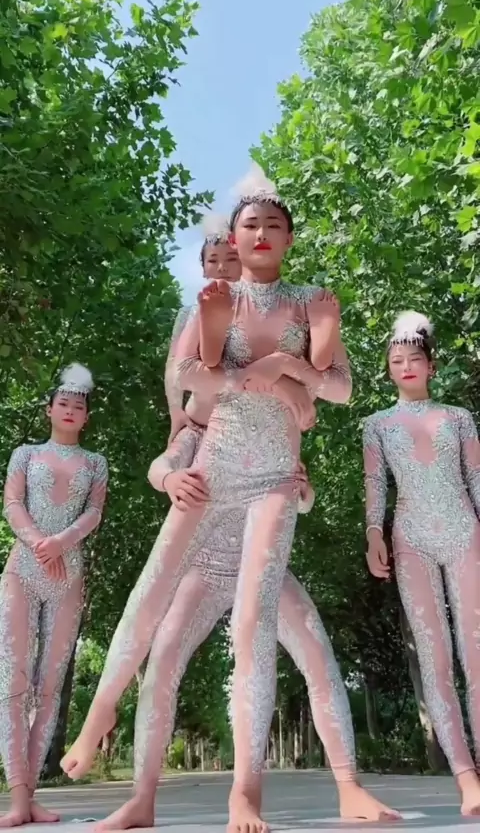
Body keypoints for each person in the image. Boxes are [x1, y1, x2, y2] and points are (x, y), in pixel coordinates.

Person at [61, 164, 351, 831]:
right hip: (214, 465)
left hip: (272, 476)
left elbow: (336, 391)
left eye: (274, 224)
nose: (261, 233)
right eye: (249, 224)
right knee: (152, 599)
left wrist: (290, 368)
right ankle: (106, 723)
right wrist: (261, 378)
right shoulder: (212, 304)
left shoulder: (309, 300)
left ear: (289, 238)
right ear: (235, 238)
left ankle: (246, 792)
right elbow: (190, 379)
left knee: (255, 624)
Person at [90, 427, 399, 831]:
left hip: (267, 570)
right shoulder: (198, 430)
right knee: (163, 661)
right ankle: (141, 798)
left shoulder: (272, 423)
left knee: (319, 657)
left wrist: (304, 490)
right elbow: (160, 466)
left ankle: (349, 786)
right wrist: (169, 479)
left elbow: (300, 500)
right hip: (204, 570)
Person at [364, 311, 480, 817]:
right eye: (396, 361)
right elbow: (375, 485)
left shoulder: (459, 417)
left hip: (464, 533)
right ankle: (466, 778)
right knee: (435, 660)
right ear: (389, 370)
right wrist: (373, 533)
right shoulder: (376, 425)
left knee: (476, 654)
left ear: (431, 365)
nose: (406, 366)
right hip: (410, 538)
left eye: (414, 358)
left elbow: (476, 477)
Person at [0, 363, 108, 828]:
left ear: (86, 417)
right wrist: (38, 543)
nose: (69, 410)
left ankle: (33, 795)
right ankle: (16, 797)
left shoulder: (95, 463)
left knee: (49, 686)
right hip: (23, 571)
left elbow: (94, 512)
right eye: (62, 403)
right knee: (13, 682)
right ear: (49, 410)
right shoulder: (25, 454)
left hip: (68, 575)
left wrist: (61, 542)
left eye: (77, 406)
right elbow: (12, 503)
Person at [165, 214, 241, 443]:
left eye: (231, 259)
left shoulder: (262, 308)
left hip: (247, 430)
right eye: (213, 260)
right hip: (197, 424)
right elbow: (173, 365)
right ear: (204, 269)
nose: (222, 267)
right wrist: (175, 411)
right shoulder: (189, 314)